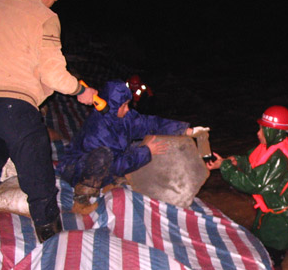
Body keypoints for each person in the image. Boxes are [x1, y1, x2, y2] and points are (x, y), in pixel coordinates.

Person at [0, 0, 98, 242]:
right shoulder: (43, 15)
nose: (55, 0)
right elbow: (53, 73)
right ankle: (52, 243)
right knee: (39, 176)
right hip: (13, 107)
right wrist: (81, 90)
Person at [206, 105, 288, 270]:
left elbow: (251, 184)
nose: (258, 133)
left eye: (262, 129)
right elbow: (253, 162)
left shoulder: (278, 158)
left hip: (280, 219)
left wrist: (226, 168)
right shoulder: (274, 146)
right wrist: (235, 161)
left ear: (273, 132)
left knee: (267, 260)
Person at [56, 79, 204, 206]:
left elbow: (150, 124)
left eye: (127, 104)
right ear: (113, 106)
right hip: (76, 170)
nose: (127, 109)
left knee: (139, 147)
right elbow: (114, 164)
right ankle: (82, 197)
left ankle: (110, 181)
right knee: (104, 156)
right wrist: (146, 152)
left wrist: (185, 130)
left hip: (105, 163)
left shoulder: (123, 117)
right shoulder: (98, 129)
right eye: (124, 105)